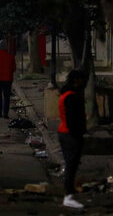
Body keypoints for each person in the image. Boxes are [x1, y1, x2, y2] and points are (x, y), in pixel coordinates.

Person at [58, 69, 87, 209]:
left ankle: (69, 192)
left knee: (70, 165)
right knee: (71, 166)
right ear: (76, 80)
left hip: (64, 132)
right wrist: (78, 135)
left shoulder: (66, 94)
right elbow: (72, 119)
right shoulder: (72, 97)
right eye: (82, 79)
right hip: (70, 135)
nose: (84, 82)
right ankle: (69, 195)